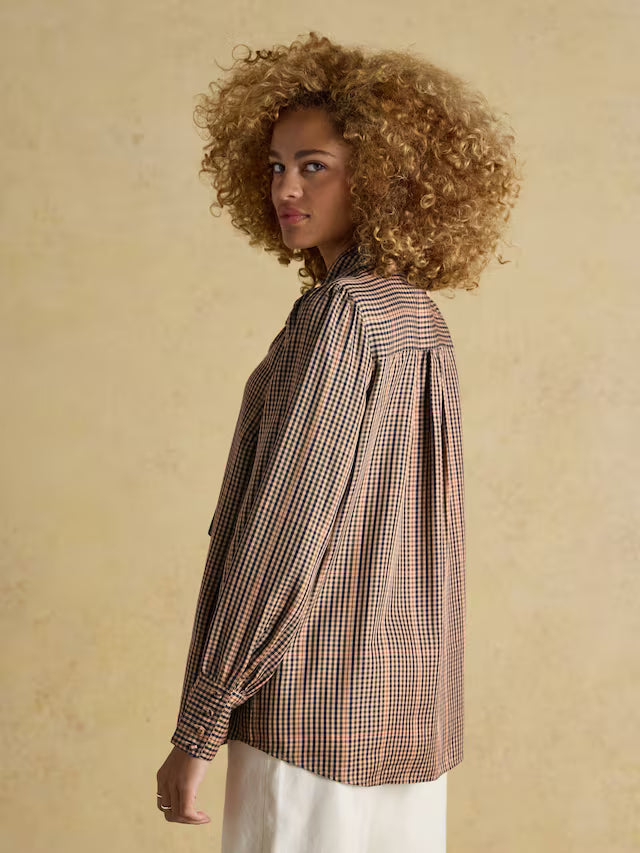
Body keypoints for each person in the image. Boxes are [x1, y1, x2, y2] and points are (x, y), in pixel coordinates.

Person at [155, 31, 520, 851]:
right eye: (276, 164)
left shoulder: (342, 318)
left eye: (313, 165)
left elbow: (281, 536)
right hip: (405, 723)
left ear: (381, 178)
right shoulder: (415, 315)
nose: (286, 186)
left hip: (308, 723)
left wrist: (199, 727)